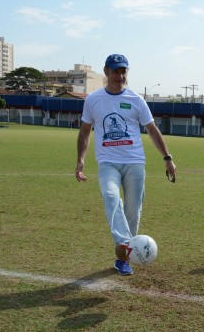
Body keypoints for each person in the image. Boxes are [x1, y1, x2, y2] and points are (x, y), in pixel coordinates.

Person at [75, 54, 177, 276]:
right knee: (111, 197)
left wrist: (167, 158)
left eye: (123, 72)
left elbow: (152, 130)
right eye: (115, 72)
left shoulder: (136, 100)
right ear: (106, 72)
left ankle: (123, 260)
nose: (120, 76)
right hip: (108, 162)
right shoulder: (93, 100)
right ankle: (125, 248)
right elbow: (84, 133)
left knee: (133, 211)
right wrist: (81, 161)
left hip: (134, 162)